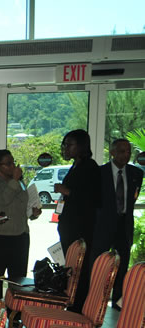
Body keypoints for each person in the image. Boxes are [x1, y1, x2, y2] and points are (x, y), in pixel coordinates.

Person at [91, 138, 143, 309]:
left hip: (124, 224)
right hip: (103, 225)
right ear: (112, 152)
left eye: (128, 151)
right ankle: (95, 301)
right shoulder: (99, 173)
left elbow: (132, 200)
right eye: (121, 151)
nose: (126, 155)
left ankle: (118, 302)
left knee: (122, 263)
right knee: (99, 263)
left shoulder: (136, 174)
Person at [0, 149, 42, 300]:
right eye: (8, 164)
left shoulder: (19, 182)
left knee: (18, 279)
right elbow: (3, 201)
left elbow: (22, 205)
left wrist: (33, 213)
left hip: (21, 235)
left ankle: (15, 316)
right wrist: (14, 181)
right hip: (1, 237)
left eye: (13, 162)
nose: (13, 167)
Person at [55, 129, 102, 312]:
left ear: (81, 146)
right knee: (71, 268)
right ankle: (71, 303)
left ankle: (78, 308)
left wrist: (67, 191)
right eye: (64, 144)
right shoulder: (76, 165)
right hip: (70, 226)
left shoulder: (90, 167)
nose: (65, 148)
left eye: (69, 145)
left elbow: (94, 199)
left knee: (79, 269)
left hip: (80, 228)